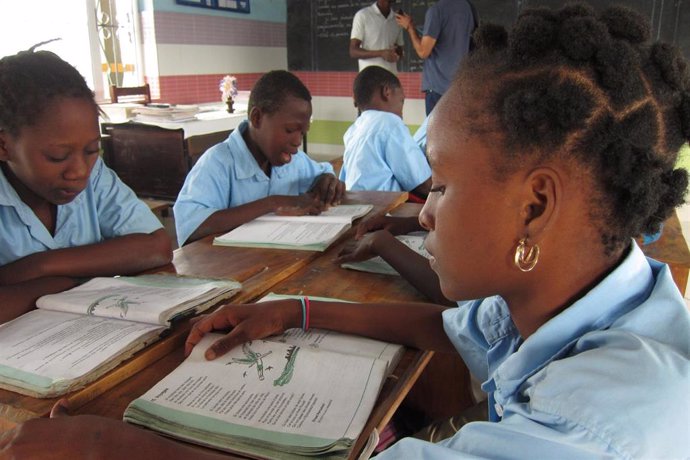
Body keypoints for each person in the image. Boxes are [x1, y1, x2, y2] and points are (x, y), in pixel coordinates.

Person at [3, 4, 690, 458]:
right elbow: (445, 328)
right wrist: (293, 309)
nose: (423, 211)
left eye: (442, 187)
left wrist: (102, 447)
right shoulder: (572, 295)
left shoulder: (599, 428)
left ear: (536, 206)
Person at [0, 46, 173, 323]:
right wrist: (69, 281)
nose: (80, 171)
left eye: (92, 150)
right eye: (57, 157)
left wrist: (39, 267)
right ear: (4, 145)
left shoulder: (95, 176)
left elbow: (155, 247)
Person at [173, 70, 345, 246]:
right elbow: (192, 226)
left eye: (303, 133)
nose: (297, 141)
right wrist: (273, 203)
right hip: (229, 266)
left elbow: (322, 173)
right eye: (290, 130)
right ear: (257, 118)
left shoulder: (295, 161)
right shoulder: (218, 163)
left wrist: (327, 181)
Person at [339, 66, 431, 199]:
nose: (401, 113)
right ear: (386, 92)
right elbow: (422, 183)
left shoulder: (353, 130)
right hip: (382, 209)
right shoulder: (389, 122)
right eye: (401, 101)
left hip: (356, 203)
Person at [396, 0, 476, 114]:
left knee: (436, 131)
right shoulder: (468, 7)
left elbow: (423, 51)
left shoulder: (436, 11)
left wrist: (409, 27)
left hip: (438, 88)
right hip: (461, 87)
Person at [350, 0, 404, 73]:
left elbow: (400, 50)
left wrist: (397, 53)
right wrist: (381, 53)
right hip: (369, 77)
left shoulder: (397, 19)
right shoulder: (363, 15)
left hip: (390, 78)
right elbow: (353, 51)